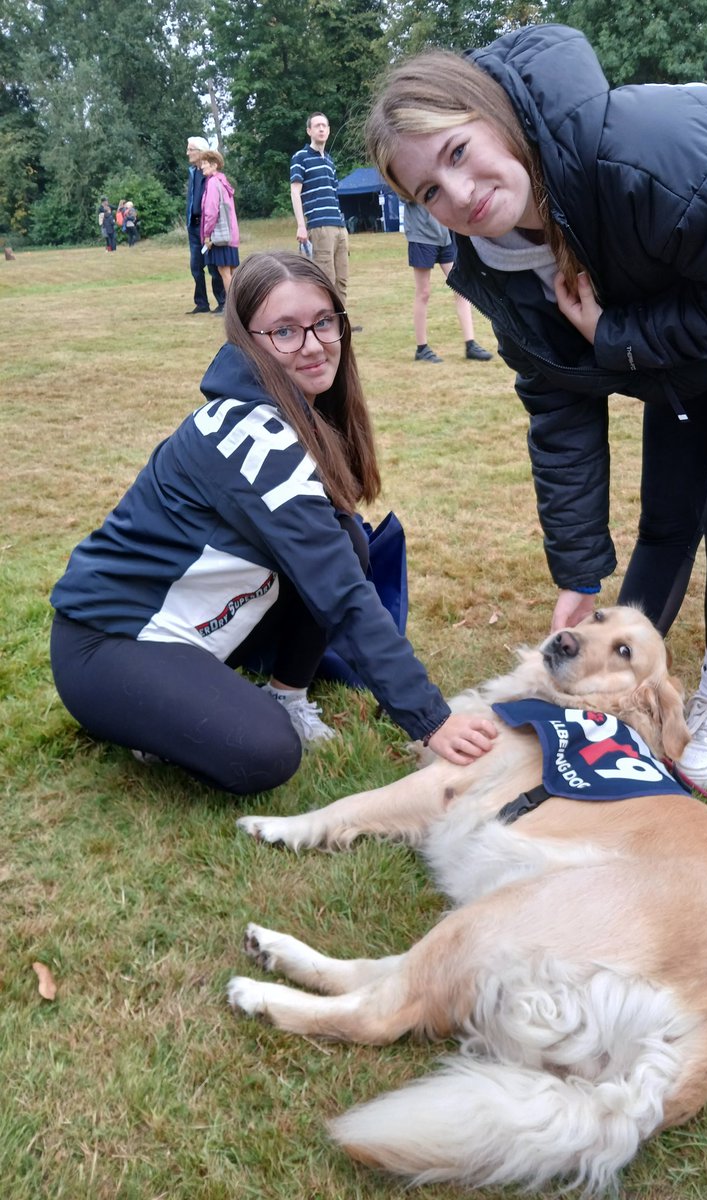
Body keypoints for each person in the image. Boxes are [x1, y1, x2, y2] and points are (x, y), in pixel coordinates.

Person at [365, 23, 707, 787]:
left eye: (459, 153)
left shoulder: (641, 146)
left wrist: (617, 334)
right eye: (428, 190)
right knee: (669, 518)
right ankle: (611, 695)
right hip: (683, 327)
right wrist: (577, 574)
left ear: (496, 117)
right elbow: (557, 400)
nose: (459, 195)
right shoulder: (495, 265)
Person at [49, 252, 496, 795]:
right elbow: (341, 591)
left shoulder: (300, 409)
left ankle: (286, 692)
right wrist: (432, 719)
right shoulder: (250, 431)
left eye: (323, 322)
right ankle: (150, 715)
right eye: (284, 330)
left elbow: (336, 564)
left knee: (349, 538)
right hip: (109, 642)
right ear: (249, 340)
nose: (312, 344)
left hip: (199, 626)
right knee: (264, 753)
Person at [403, 201, 493, 364]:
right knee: (423, 292)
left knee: (462, 289)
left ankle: (470, 345)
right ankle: (422, 349)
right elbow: (405, 195)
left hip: (445, 236)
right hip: (421, 235)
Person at [289, 112, 352, 310]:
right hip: (319, 226)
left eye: (324, 125)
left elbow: (334, 196)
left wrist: (344, 227)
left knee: (342, 279)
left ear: (329, 130)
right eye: (317, 126)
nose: (321, 129)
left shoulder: (330, 161)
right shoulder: (300, 157)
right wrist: (301, 226)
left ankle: (341, 323)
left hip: (339, 226)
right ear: (309, 131)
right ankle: (325, 322)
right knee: (326, 279)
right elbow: (295, 192)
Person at [185, 135, 227, 315]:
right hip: (193, 226)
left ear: (201, 152)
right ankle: (201, 303)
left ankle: (223, 302)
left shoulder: (209, 174)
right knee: (196, 266)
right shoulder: (193, 172)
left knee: (213, 266)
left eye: (190, 149)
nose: (187, 153)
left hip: (206, 227)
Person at [199, 149, 240, 294]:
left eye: (204, 163)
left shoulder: (212, 183)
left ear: (214, 165)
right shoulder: (224, 182)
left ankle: (233, 307)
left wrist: (207, 234)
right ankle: (243, 305)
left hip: (220, 236)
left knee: (224, 272)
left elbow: (211, 211)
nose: (201, 166)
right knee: (234, 272)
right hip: (231, 235)